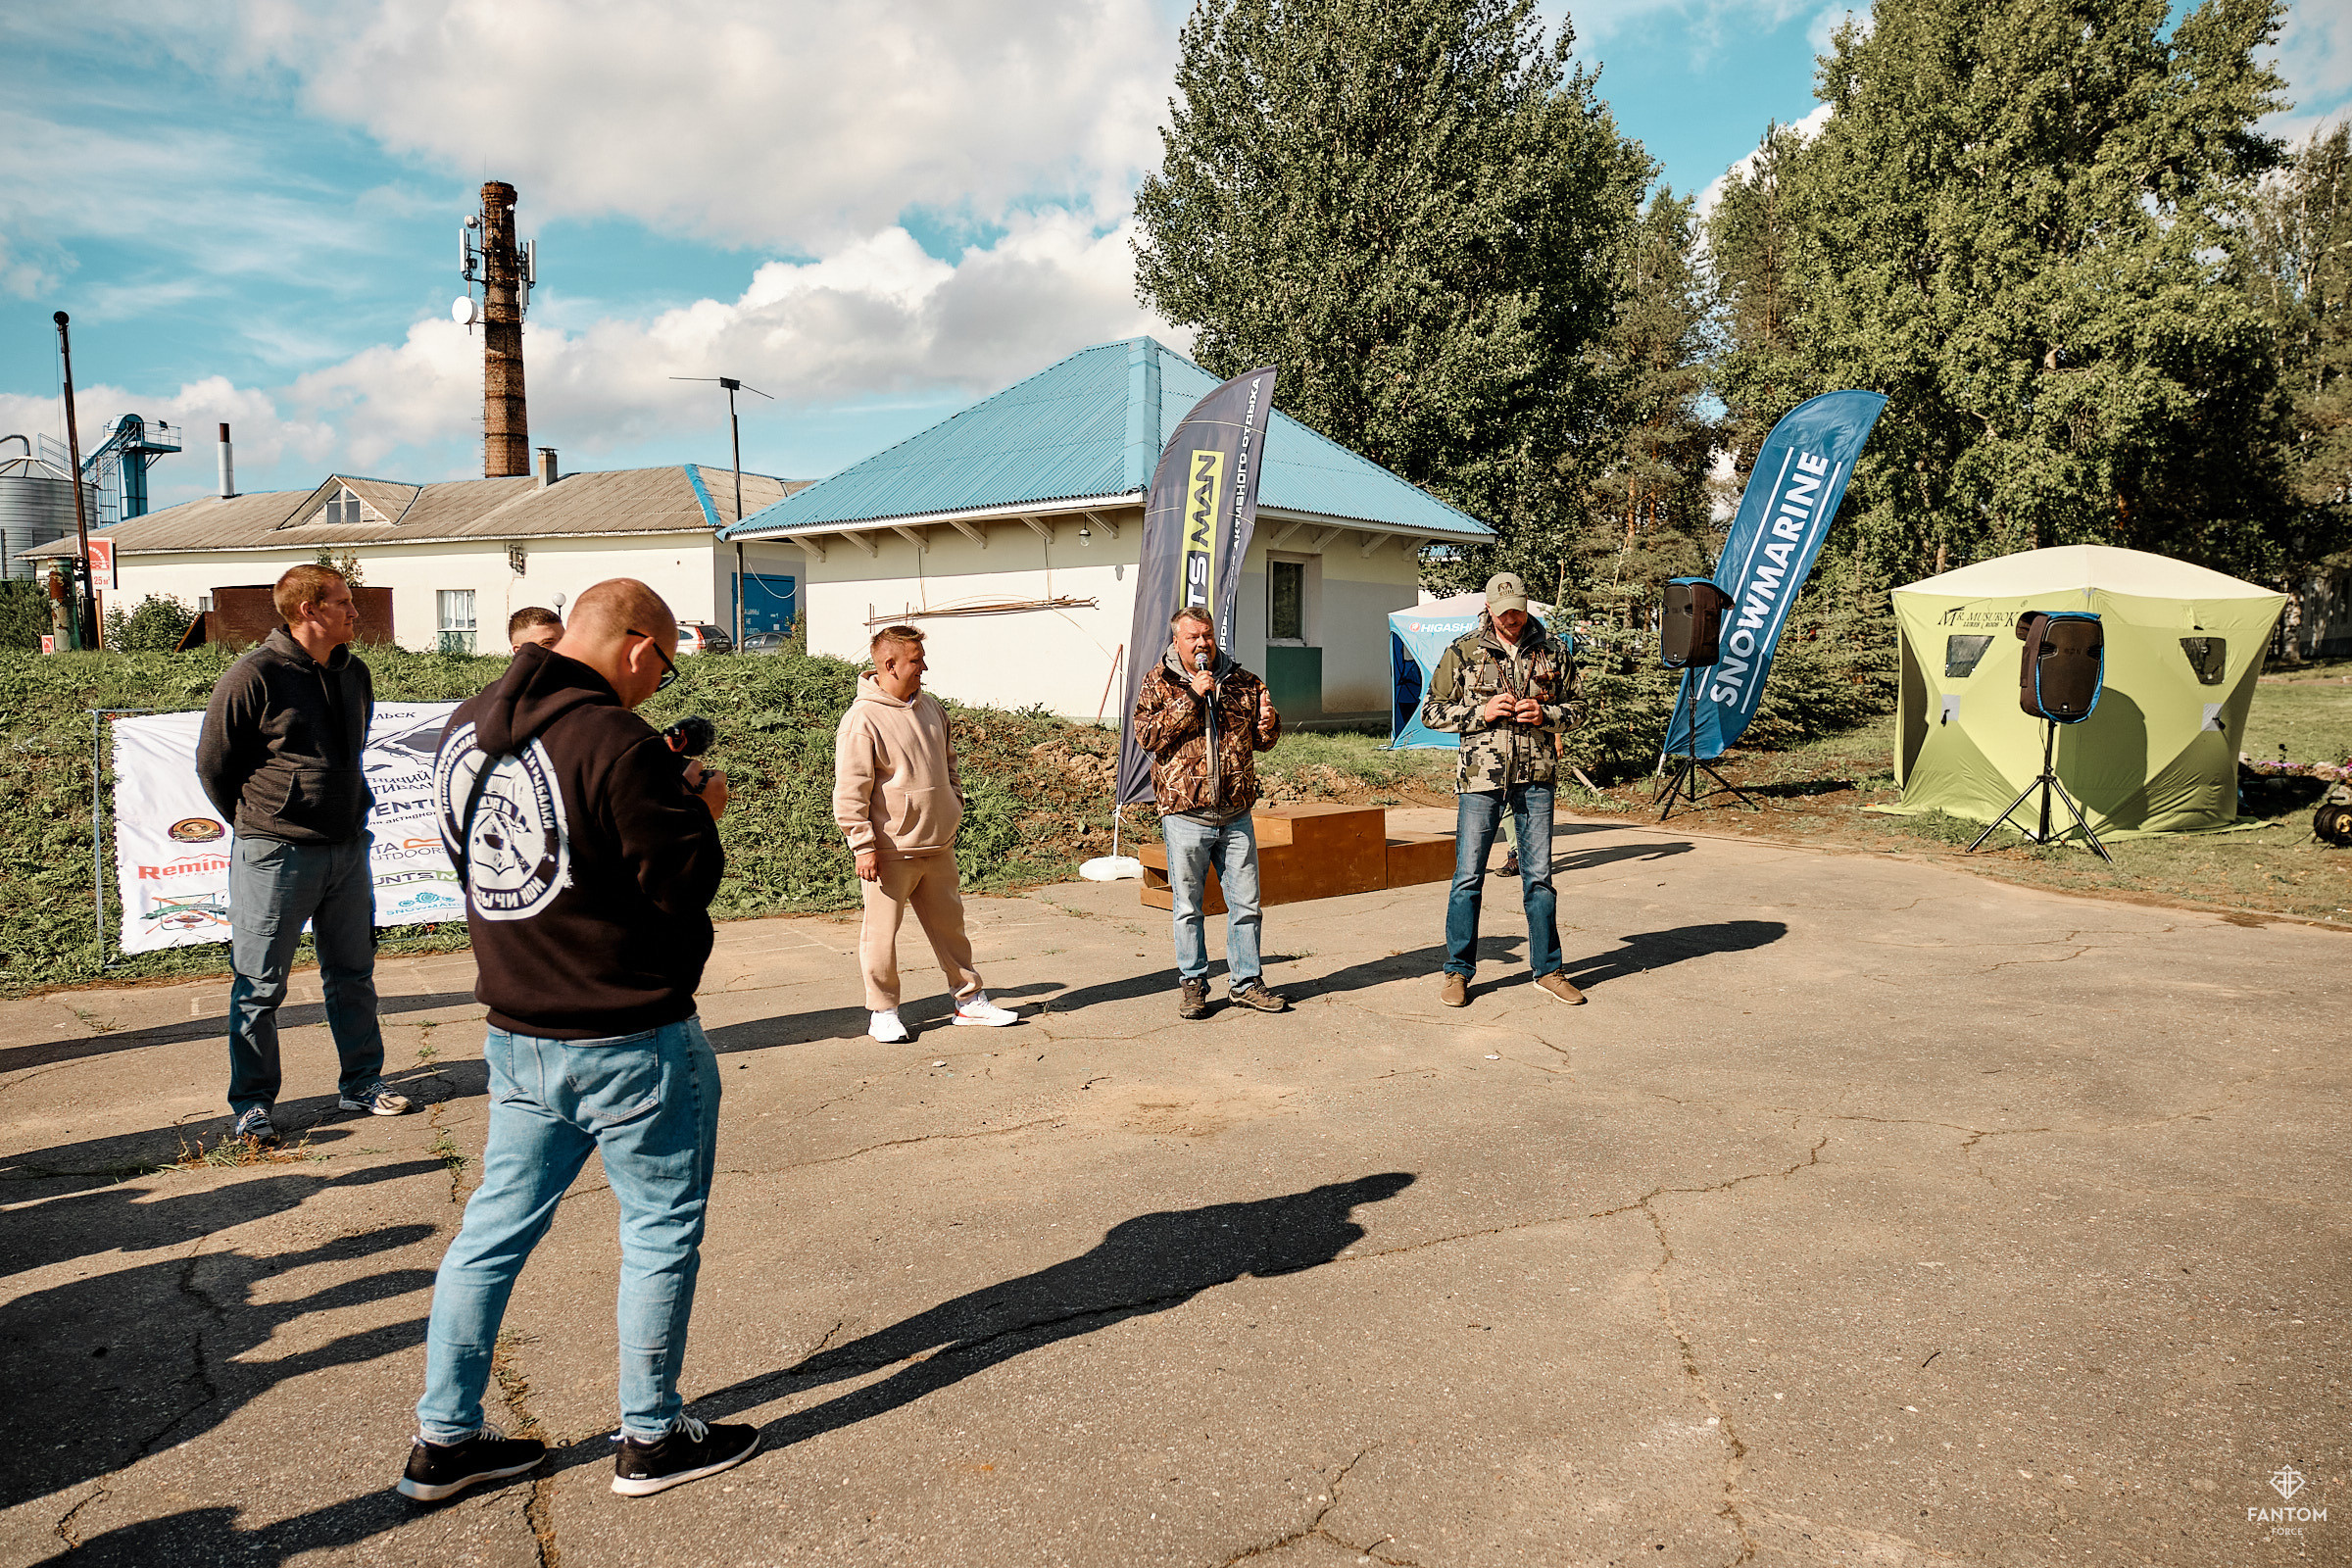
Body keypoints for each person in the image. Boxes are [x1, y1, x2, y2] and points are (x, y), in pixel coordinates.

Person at [403, 578, 756, 1504]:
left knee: (490, 1234)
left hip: (519, 1031)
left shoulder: (463, 729)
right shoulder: (616, 742)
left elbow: (495, 867)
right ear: (639, 647)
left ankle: (444, 1439)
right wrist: (700, 806)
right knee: (660, 1229)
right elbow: (682, 883)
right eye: (664, 667)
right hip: (630, 1032)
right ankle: (650, 1436)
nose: (657, 686)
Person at [197, 564, 409, 1146]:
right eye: (343, 602)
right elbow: (215, 766)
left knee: (353, 975)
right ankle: (253, 1106)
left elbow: (353, 752)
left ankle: (362, 1084)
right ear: (308, 611)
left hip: (347, 850)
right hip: (276, 853)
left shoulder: (353, 673)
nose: (354, 611)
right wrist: (264, 822)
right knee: (260, 986)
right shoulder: (253, 676)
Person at [832, 624, 1020, 1043]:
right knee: (881, 937)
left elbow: (948, 763)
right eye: (916, 660)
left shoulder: (931, 707)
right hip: (889, 851)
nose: (924, 667)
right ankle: (882, 1011)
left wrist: (954, 803)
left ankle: (969, 1002)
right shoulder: (861, 721)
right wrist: (863, 846)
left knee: (952, 929)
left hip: (938, 844)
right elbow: (850, 791)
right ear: (889, 664)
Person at [1420, 571, 1587, 1007]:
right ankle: (1458, 971)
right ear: (1490, 608)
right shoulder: (1463, 651)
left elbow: (1581, 708)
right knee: (1468, 878)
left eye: (1518, 610)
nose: (1512, 619)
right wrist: (1482, 711)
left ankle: (1548, 970)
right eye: (1504, 611)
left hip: (1536, 779)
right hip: (1481, 779)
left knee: (1540, 879)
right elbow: (1431, 713)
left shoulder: (1554, 652)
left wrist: (1546, 714)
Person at [1131, 606, 1287, 1020]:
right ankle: (1194, 983)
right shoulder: (1157, 682)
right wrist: (1192, 697)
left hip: (1235, 812)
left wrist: (1269, 724)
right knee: (1188, 908)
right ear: (1177, 641)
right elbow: (1146, 736)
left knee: (1247, 905)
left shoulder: (1242, 681)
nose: (1202, 644)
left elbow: (1262, 740)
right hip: (1186, 814)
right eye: (1192, 638)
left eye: (1207, 635)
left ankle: (1247, 983)